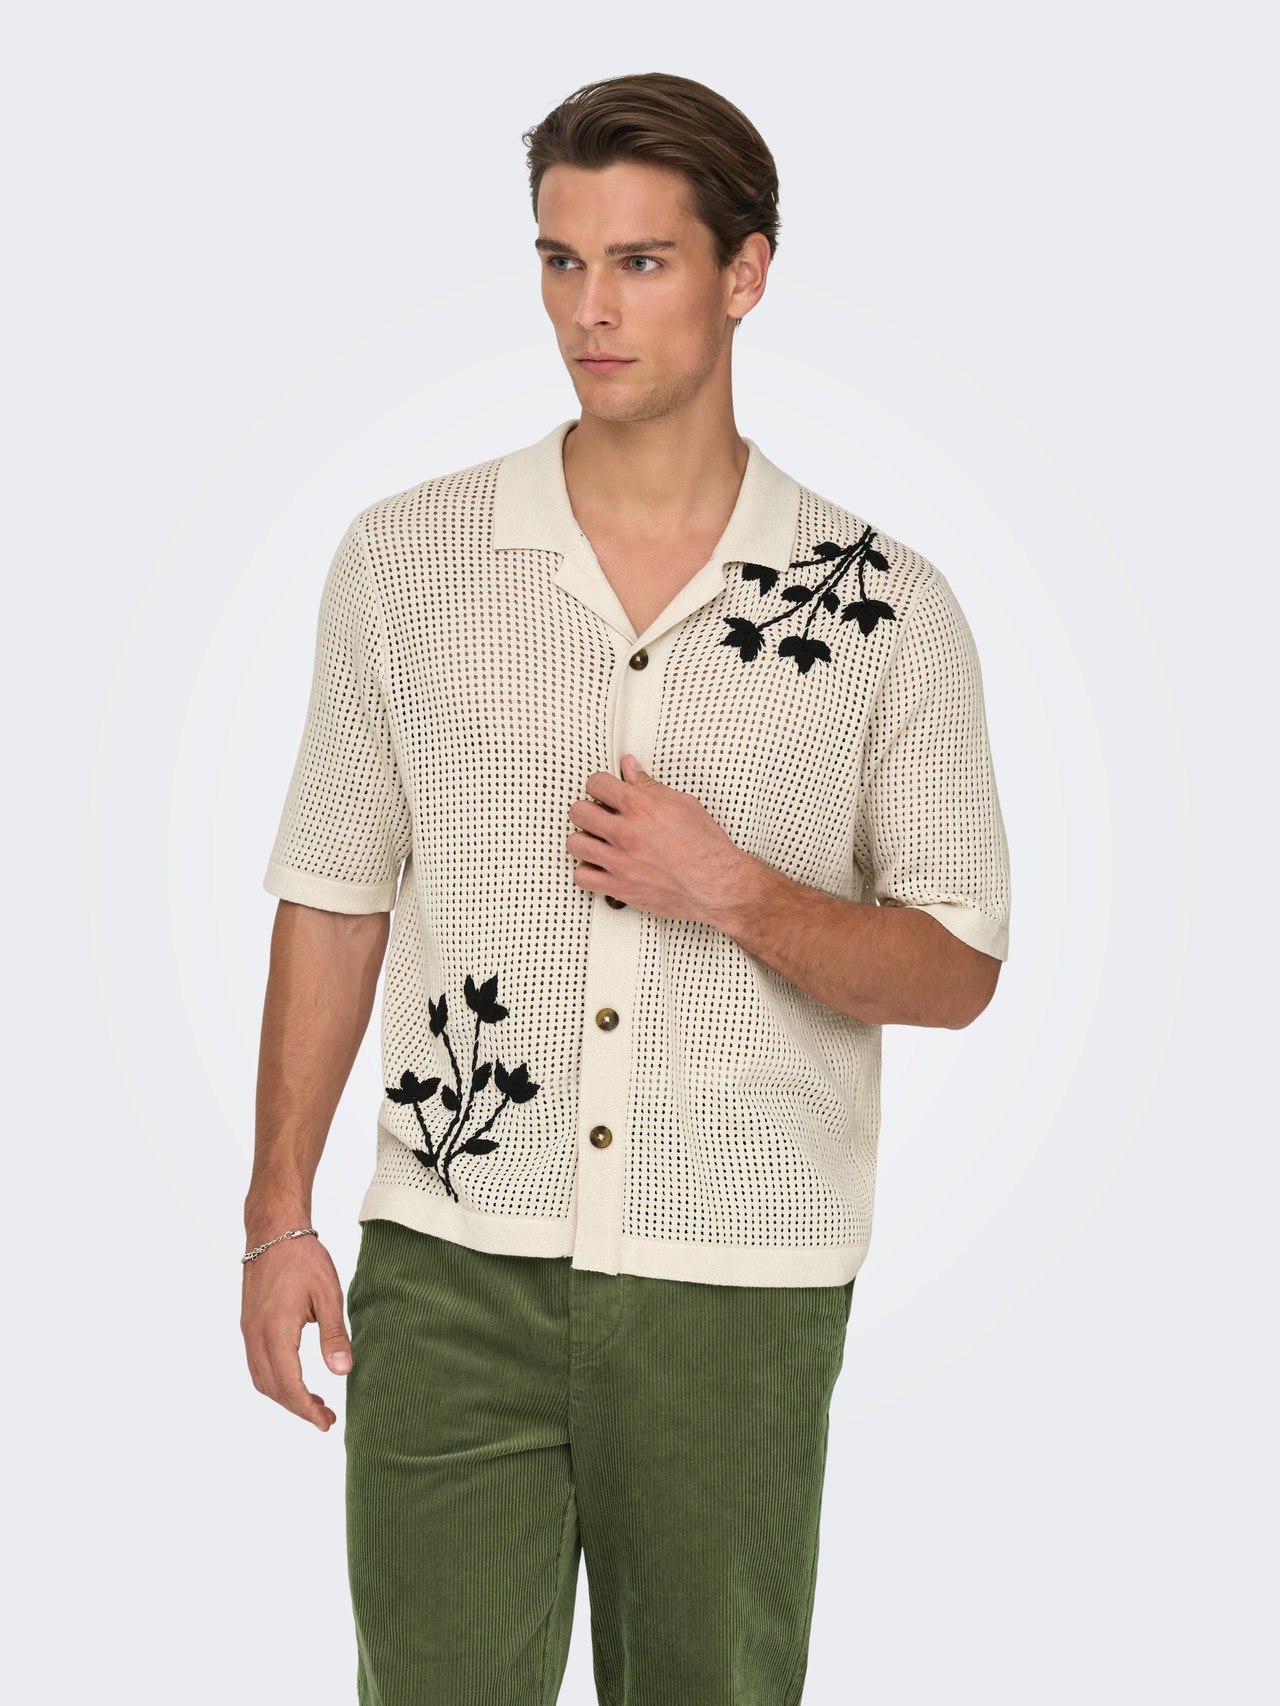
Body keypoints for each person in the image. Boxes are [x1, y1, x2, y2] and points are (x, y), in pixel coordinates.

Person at [241, 69, 1010, 1705]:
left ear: (746, 273)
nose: (589, 310)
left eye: (642, 262)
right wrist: (275, 1215)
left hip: (736, 1285)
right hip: (449, 1263)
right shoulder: (407, 561)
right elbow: (333, 887)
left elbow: (957, 964)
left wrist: (733, 889)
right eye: (561, 260)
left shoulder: (886, 606)